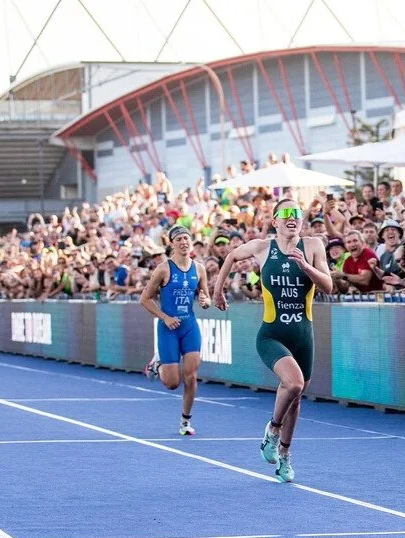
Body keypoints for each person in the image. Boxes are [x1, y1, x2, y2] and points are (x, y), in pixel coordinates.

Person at [213, 200, 332, 483]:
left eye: (297, 213)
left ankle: (285, 455)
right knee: (294, 383)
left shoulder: (313, 245)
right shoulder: (263, 247)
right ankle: (273, 429)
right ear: (275, 220)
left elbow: (328, 286)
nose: (292, 218)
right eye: (286, 213)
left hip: (303, 335)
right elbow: (231, 256)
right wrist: (217, 291)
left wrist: (306, 266)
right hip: (272, 334)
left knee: (296, 398)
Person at [140, 225, 211, 436]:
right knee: (172, 383)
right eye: (179, 239)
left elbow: (205, 297)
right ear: (172, 244)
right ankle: (158, 363)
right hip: (168, 327)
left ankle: (185, 421)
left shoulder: (199, 269)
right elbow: (145, 299)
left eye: (186, 238)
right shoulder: (164, 269)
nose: (183, 242)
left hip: (189, 326)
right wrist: (165, 317)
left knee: (191, 376)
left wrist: (205, 301)